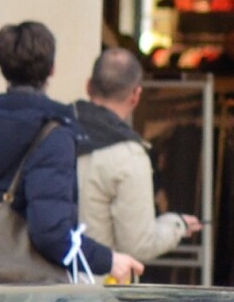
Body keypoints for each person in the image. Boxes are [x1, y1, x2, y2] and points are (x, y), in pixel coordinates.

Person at [0, 21, 135, 286]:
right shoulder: (53, 135)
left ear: (3, 67)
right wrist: (108, 260)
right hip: (20, 301)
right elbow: (51, 232)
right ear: (52, 69)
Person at [74, 46, 200, 267]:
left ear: (88, 86)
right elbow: (137, 245)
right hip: (97, 287)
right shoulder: (128, 156)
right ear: (136, 95)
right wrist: (176, 225)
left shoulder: (53, 131)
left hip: (46, 285)